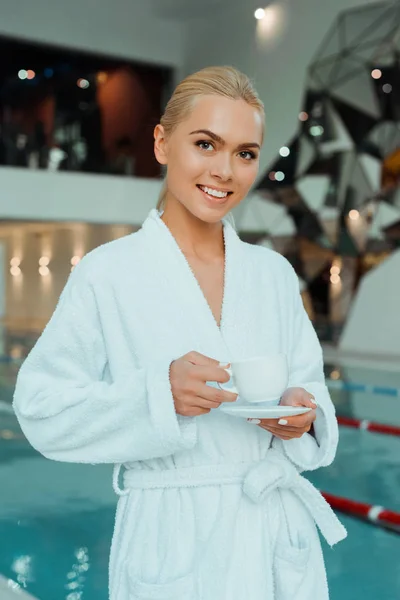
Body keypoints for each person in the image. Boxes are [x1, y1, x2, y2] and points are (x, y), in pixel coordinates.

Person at [13, 66, 346, 600]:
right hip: (172, 539)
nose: (225, 170)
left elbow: (310, 390)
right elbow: (41, 408)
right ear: (163, 143)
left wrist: (303, 416)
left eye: (245, 152)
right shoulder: (109, 272)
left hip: (274, 536)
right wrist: (157, 395)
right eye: (206, 144)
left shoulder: (272, 274)